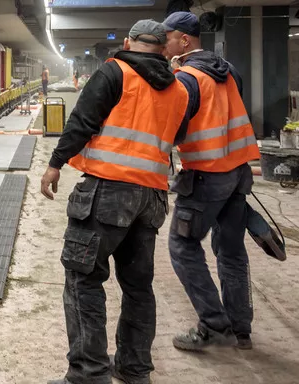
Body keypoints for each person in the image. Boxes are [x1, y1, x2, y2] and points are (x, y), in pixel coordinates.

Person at [42, 20, 189, 384]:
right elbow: (178, 135)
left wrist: (55, 163)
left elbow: (82, 121)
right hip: (151, 197)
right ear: (163, 49)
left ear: (128, 41)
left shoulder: (115, 72)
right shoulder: (179, 88)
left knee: (83, 280)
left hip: (108, 193)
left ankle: (89, 375)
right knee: (138, 287)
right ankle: (134, 370)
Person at [161, 11, 262, 351]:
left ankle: (214, 323)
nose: (164, 46)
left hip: (206, 175)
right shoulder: (229, 70)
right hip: (238, 173)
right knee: (231, 250)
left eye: (168, 39)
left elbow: (175, 130)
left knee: (182, 246)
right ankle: (241, 328)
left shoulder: (187, 79)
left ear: (184, 41)